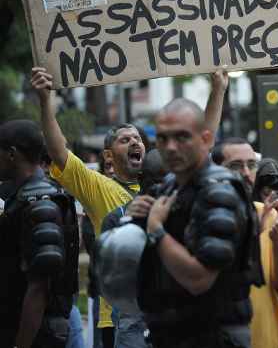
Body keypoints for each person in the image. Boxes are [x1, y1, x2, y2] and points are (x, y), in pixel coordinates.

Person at [31, 67, 229, 348]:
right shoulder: (99, 188)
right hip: (118, 317)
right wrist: (44, 100)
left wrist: (218, 89)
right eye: (126, 140)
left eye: (137, 138)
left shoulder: (171, 185)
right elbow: (59, 151)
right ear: (109, 158)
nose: (135, 141)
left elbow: (202, 143)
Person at [126, 98, 261, 348]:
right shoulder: (170, 187)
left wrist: (156, 229)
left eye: (182, 137)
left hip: (215, 336)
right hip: (174, 334)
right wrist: (137, 222)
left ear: (206, 140)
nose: (171, 147)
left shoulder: (220, 191)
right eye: (163, 139)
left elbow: (199, 280)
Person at [0, 120, 79, 348]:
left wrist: (20, 345)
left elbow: (39, 288)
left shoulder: (40, 204)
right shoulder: (22, 199)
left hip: (37, 335)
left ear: (12, 154)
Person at [221, 154, 278, 348]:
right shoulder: (202, 214)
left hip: (269, 338)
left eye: (251, 165)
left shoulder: (267, 213)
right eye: (236, 165)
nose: (246, 172)